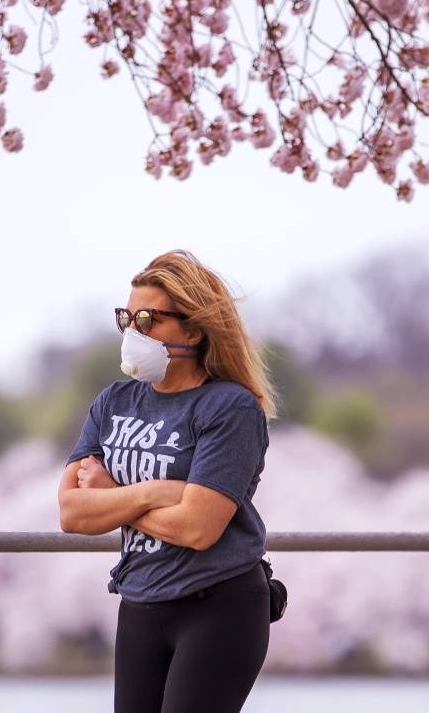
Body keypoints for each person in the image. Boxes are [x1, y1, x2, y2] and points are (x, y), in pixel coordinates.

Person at [58, 249, 277, 713]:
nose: (134, 332)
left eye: (148, 319)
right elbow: (72, 512)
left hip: (219, 606)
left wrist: (112, 496)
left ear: (194, 329)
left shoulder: (229, 408)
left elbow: (199, 528)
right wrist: (155, 493)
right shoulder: (113, 402)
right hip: (139, 605)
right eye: (127, 318)